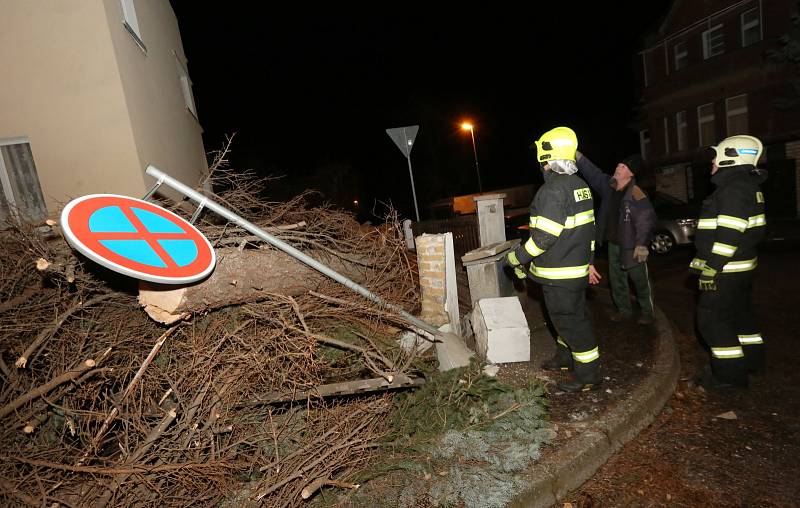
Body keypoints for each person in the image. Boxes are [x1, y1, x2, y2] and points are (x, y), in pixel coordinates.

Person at [500, 126, 600, 392]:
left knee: (572, 323)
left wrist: (516, 258)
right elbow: (589, 230)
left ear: (547, 158)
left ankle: (589, 376)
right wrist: (590, 261)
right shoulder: (581, 187)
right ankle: (565, 358)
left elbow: (544, 239)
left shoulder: (552, 191)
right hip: (574, 272)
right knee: (565, 320)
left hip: (560, 275)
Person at [690, 134, 767, 391]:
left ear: (730, 156)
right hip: (741, 269)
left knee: (712, 320)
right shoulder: (745, 186)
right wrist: (701, 260)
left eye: (716, 156)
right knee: (741, 317)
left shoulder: (733, 189)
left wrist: (711, 268)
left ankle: (729, 378)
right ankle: (752, 363)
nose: (712, 161)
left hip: (726, 271)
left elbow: (728, 236)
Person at [575, 151, 658, 325]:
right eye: (618, 165)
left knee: (641, 281)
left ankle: (648, 312)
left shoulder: (636, 193)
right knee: (617, 281)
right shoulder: (609, 186)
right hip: (613, 245)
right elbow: (593, 173)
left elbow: (646, 221)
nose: (618, 168)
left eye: (623, 166)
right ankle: (624, 311)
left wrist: (642, 246)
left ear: (631, 173)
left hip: (635, 247)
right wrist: (578, 156)